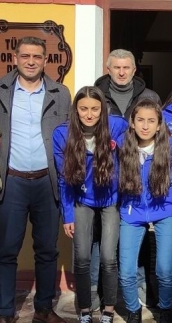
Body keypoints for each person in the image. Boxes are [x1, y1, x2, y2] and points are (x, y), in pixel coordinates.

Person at [0, 37, 71, 323]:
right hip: (13, 181)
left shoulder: (61, 93)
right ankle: (5, 313)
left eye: (37, 56)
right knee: (6, 250)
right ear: (15, 58)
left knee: (47, 250)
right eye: (25, 56)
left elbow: (68, 135)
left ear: (46, 60)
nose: (31, 61)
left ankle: (43, 310)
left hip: (48, 181)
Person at [53, 86, 127, 323]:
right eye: (83, 108)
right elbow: (63, 178)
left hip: (111, 199)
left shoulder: (117, 125)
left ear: (103, 109)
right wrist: (67, 215)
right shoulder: (62, 133)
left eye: (95, 109)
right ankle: (85, 309)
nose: (89, 114)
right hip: (81, 199)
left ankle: (109, 309)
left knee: (108, 257)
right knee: (82, 256)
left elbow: (144, 136)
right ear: (75, 109)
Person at [118, 99, 172, 323]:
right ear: (132, 123)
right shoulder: (122, 146)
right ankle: (133, 310)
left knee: (164, 269)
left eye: (151, 121)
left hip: (165, 209)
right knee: (126, 271)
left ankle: (165, 310)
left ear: (159, 124)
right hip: (132, 211)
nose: (145, 126)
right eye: (140, 120)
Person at [94, 49, 161, 118]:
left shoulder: (151, 97)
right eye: (117, 68)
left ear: (134, 70)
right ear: (109, 70)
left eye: (126, 68)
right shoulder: (95, 96)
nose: (121, 73)